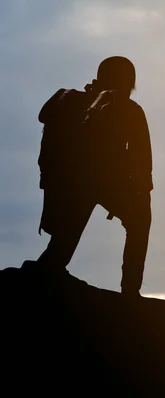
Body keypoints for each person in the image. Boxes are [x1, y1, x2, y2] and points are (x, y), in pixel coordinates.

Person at [28, 56, 153, 297]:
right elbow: (142, 160)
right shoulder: (130, 110)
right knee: (140, 220)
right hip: (100, 184)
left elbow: (43, 115)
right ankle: (130, 290)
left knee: (62, 244)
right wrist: (143, 190)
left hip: (73, 183)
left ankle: (50, 268)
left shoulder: (68, 99)